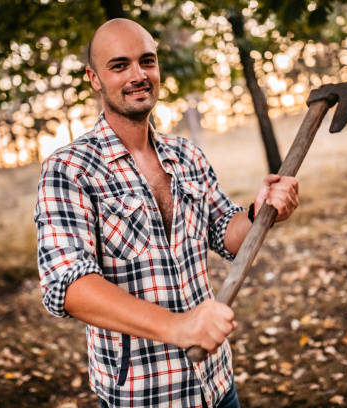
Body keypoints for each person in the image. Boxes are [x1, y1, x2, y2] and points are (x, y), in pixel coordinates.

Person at [34, 18, 299, 408]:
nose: (138, 75)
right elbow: (69, 286)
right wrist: (178, 326)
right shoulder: (69, 169)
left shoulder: (185, 155)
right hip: (145, 396)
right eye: (119, 65)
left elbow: (226, 233)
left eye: (147, 61)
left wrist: (262, 210)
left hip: (216, 385)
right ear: (94, 78)